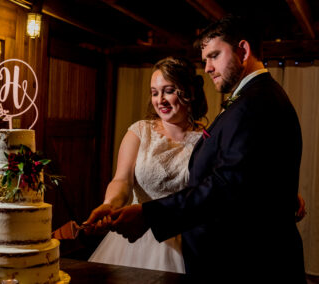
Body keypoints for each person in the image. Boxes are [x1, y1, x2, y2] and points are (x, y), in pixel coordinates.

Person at [106, 15, 306, 283]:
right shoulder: (255, 98)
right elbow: (252, 173)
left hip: (250, 262)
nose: (209, 68)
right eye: (205, 61)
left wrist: (149, 215)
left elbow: (227, 184)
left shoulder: (253, 103)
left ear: (243, 51)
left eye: (214, 56)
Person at [85, 57, 208, 273]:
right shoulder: (140, 131)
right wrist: (110, 203)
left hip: (185, 242)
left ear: (189, 91)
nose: (160, 99)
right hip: (135, 238)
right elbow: (122, 180)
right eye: (154, 92)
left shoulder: (206, 140)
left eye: (168, 90)